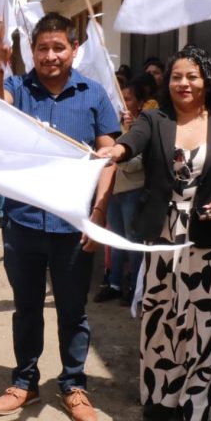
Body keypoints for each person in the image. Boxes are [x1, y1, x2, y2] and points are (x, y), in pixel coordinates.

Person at [98, 45, 211, 421]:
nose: (183, 83)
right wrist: (115, 150)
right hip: (162, 237)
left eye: (192, 76)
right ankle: (161, 395)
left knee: (205, 323)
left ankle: (197, 407)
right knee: (161, 316)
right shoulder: (156, 119)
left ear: (206, 81)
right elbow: (132, 141)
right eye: (176, 77)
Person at [0, 12, 119, 421]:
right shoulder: (18, 89)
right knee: (26, 308)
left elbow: (108, 156)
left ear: (73, 50)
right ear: (32, 51)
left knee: (73, 311)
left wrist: (98, 214)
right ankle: (24, 381)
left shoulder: (93, 94)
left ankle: (74, 384)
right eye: (42, 48)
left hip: (73, 225)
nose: (50, 56)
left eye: (59, 47)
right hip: (23, 222)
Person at [94, 80, 146, 306]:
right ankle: (114, 284)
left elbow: (139, 163)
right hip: (113, 192)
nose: (123, 103)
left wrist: (116, 157)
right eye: (120, 99)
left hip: (132, 192)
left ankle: (135, 286)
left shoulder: (142, 128)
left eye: (128, 99)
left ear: (140, 102)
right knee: (114, 240)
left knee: (132, 241)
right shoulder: (110, 126)